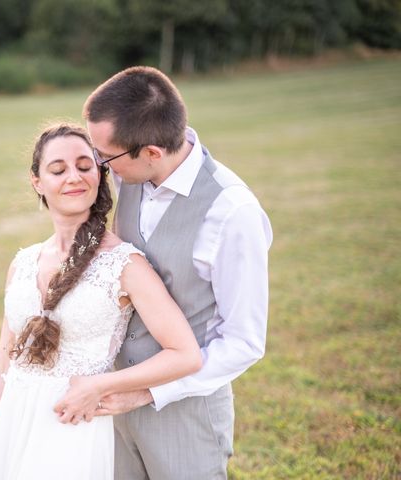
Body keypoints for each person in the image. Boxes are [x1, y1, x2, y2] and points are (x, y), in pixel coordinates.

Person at [55, 67, 273, 479]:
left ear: (152, 152)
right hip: (113, 406)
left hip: (185, 416)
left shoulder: (232, 213)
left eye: (107, 158)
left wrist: (147, 391)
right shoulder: (130, 175)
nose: (100, 169)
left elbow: (244, 342)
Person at [0, 123, 203, 480]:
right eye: (58, 170)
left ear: (100, 176)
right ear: (37, 182)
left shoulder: (125, 265)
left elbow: (186, 354)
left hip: (72, 429)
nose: (73, 177)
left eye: (85, 166)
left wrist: (102, 385)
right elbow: (1, 366)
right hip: (11, 425)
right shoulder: (23, 262)